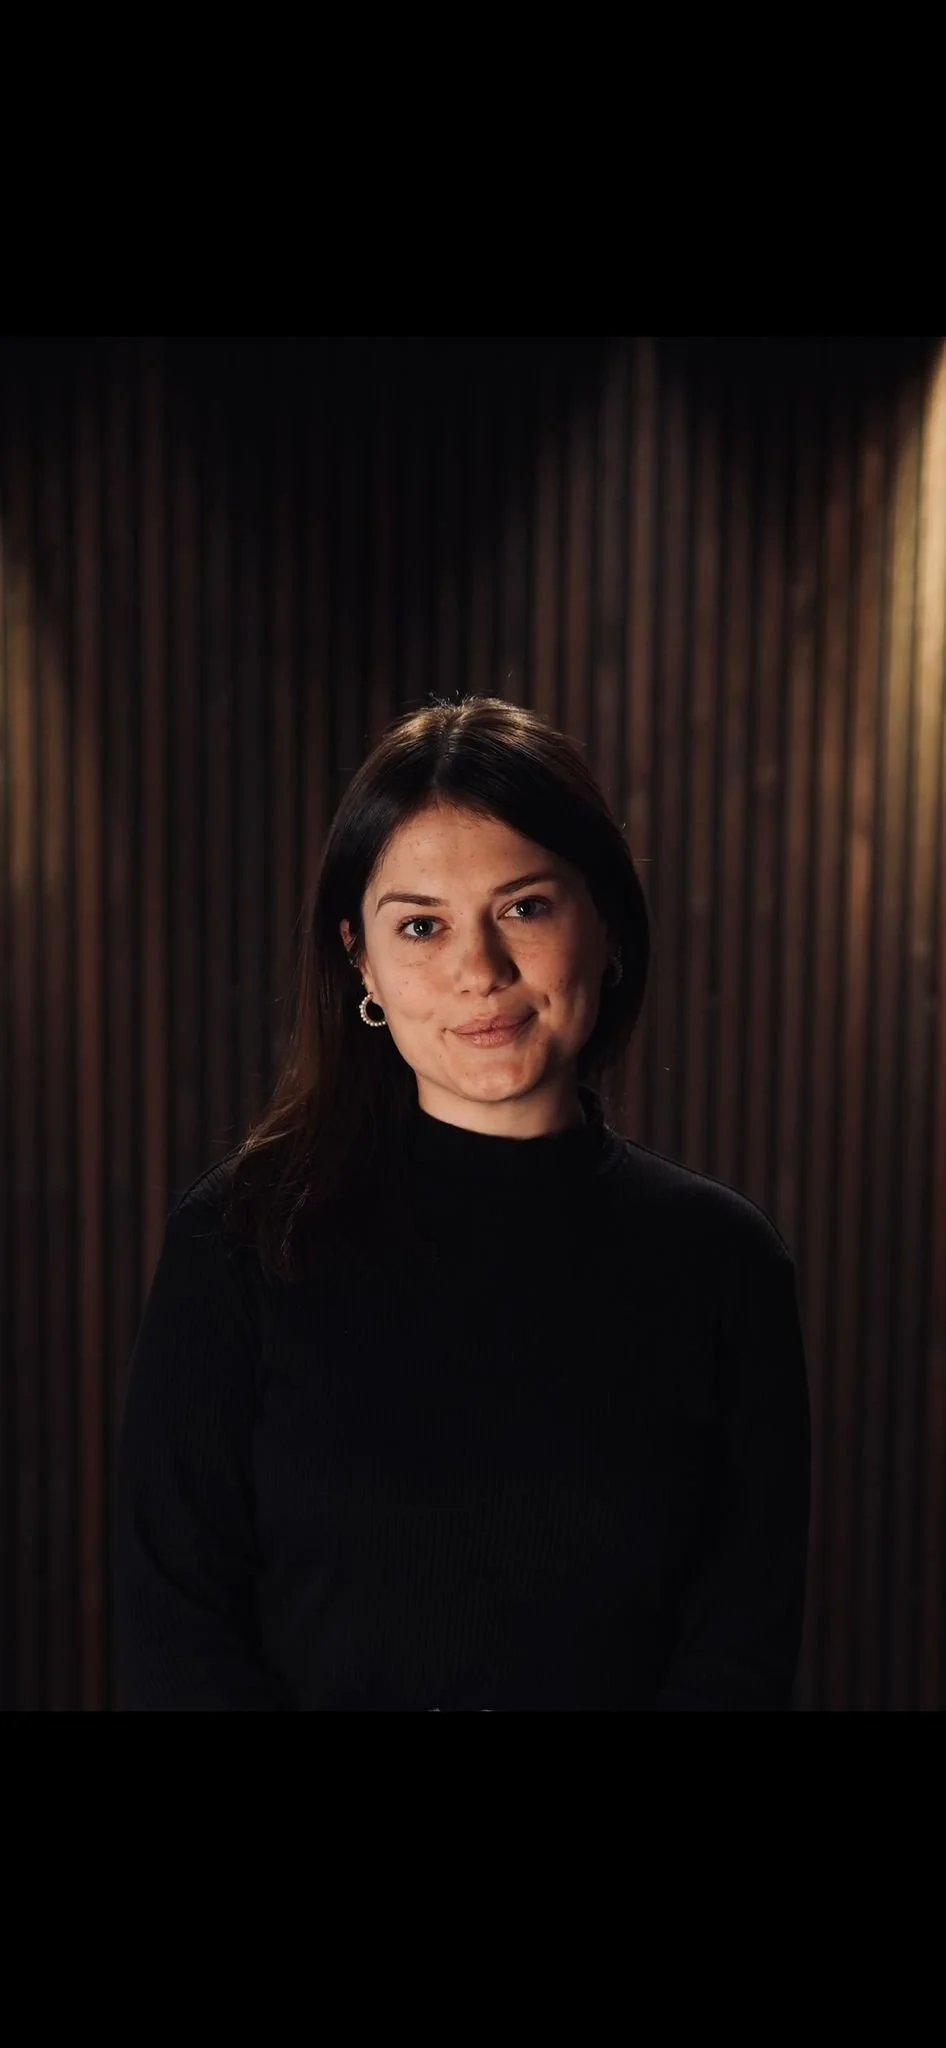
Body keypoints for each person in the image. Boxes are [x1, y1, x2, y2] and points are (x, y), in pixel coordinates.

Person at [114, 694, 811, 1710]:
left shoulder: (724, 1262)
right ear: (359, 955)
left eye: (524, 906)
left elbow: (738, 1653)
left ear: (605, 919)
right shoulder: (239, 1242)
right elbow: (177, 1636)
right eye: (421, 925)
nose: (476, 970)